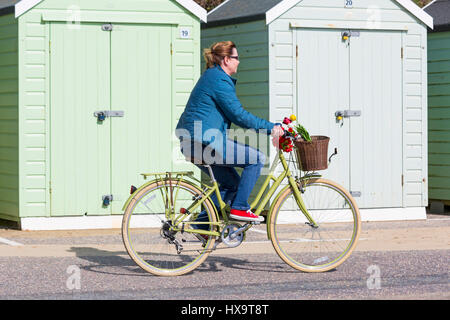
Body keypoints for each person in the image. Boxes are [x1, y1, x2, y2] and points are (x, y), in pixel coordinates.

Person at [175, 41, 283, 228]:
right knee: (256, 158)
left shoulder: (212, 77)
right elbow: (238, 114)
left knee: (231, 184)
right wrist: (271, 128)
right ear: (226, 60)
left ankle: (202, 226)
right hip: (203, 141)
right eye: (236, 58)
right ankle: (240, 207)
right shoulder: (219, 80)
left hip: (194, 142)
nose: (239, 62)